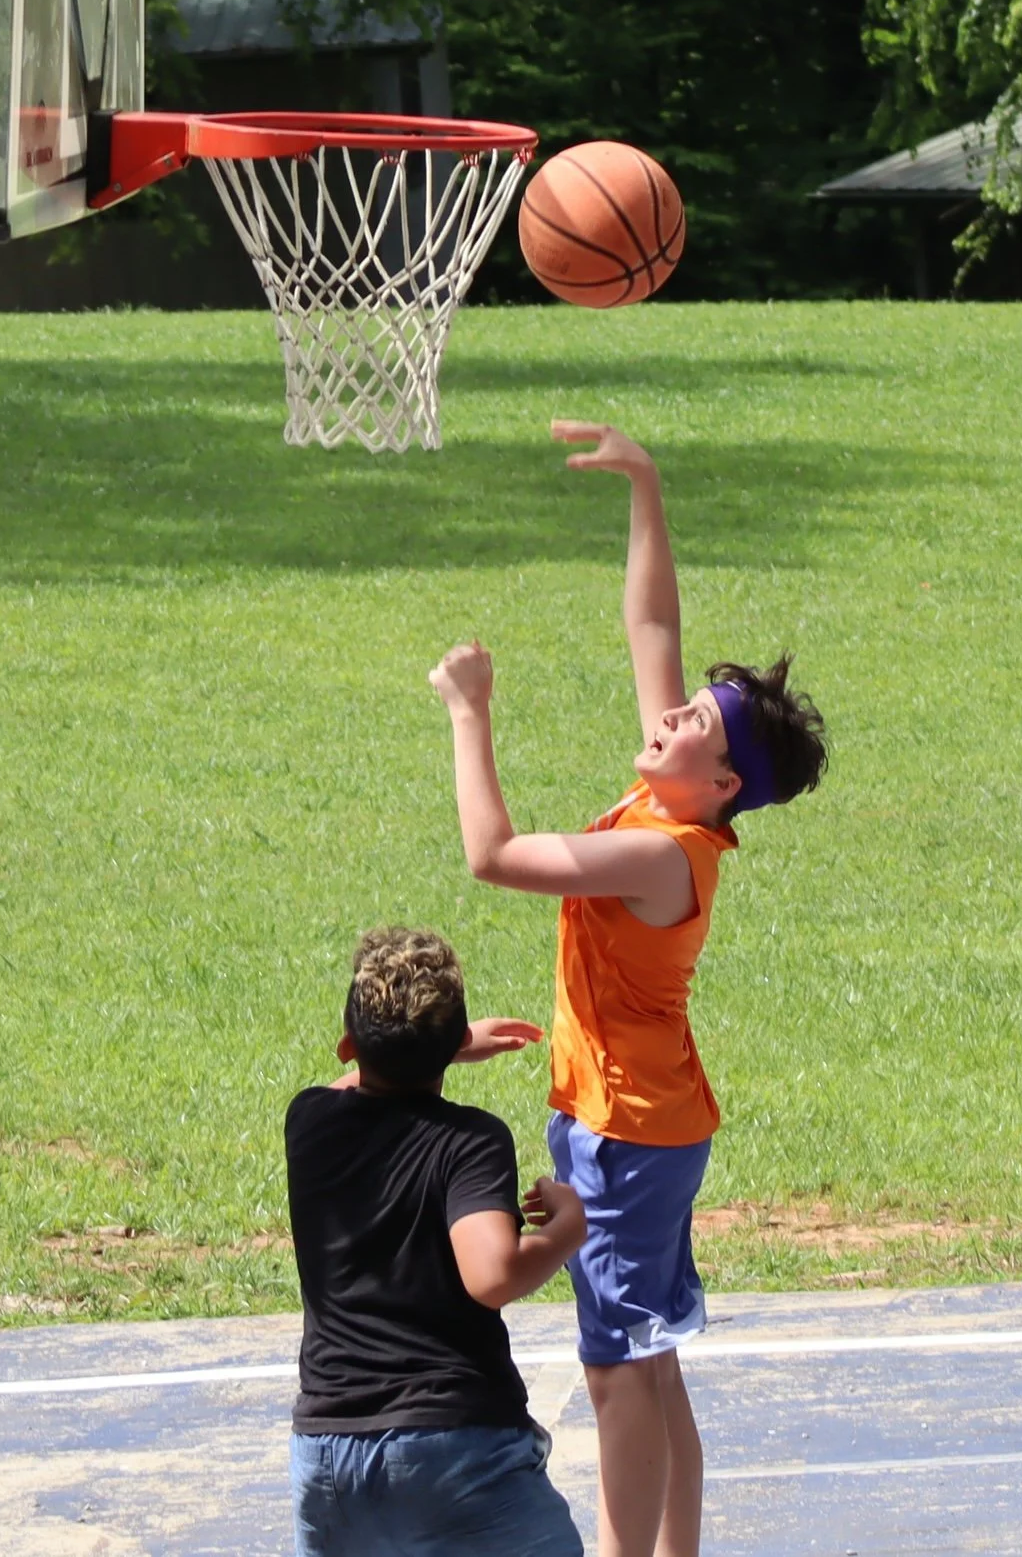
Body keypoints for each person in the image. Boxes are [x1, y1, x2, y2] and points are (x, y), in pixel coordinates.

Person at [428, 420, 829, 1557]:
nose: (668, 717)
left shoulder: (664, 853)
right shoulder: (675, 802)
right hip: (643, 1117)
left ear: (724, 780)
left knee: (614, 1375)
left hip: (625, 1132)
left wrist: (469, 711)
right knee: (647, 1354)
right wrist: (645, 484)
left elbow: (493, 857)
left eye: (693, 722)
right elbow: (653, 624)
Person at [287, 924, 589, 1557]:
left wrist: (433, 1048)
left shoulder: (308, 1121)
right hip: (452, 1448)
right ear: (452, 1044)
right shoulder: (470, 1141)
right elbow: (492, 1274)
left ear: (347, 1045)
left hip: (326, 1457)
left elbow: (353, 1084)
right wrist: (567, 1229)